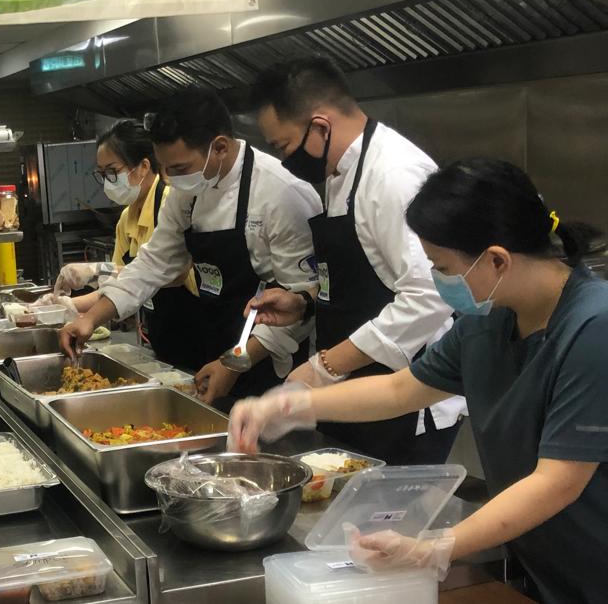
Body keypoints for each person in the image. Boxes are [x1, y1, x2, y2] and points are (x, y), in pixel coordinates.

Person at [229, 159, 607, 604]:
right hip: (547, 560)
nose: (437, 279)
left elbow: (557, 481)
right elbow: (401, 390)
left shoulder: (593, 328)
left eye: (441, 266)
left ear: (497, 260)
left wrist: (436, 548)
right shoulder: (488, 321)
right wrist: (289, 404)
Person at [244, 57, 464, 463]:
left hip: (405, 403)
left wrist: (325, 367)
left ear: (321, 126)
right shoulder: (339, 169)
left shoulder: (394, 175)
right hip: (357, 388)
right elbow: (367, 273)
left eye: (283, 146)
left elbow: (429, 294)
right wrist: (305, 302)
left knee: (389, 523)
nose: (285, 159)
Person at [59, 87, 321, 408]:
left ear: (220, 147)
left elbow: (303, 302)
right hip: (215, 346)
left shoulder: (282, 193)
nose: (169, 178)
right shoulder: (190, 188)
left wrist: (235, 363)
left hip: (270, 362)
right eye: (164, 167)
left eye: (179, 168)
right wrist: (90, 318)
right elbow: (153, 263)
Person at [53, 119, 200, 370]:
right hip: (164, 343)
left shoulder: (171, 202)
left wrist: (97, 270)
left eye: (112, 171)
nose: (108, 181)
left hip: (198, 336)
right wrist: (67, 306)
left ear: (143, 166)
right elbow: (121, 287)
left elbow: (172, 272)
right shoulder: (127, 217)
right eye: (102, 175)